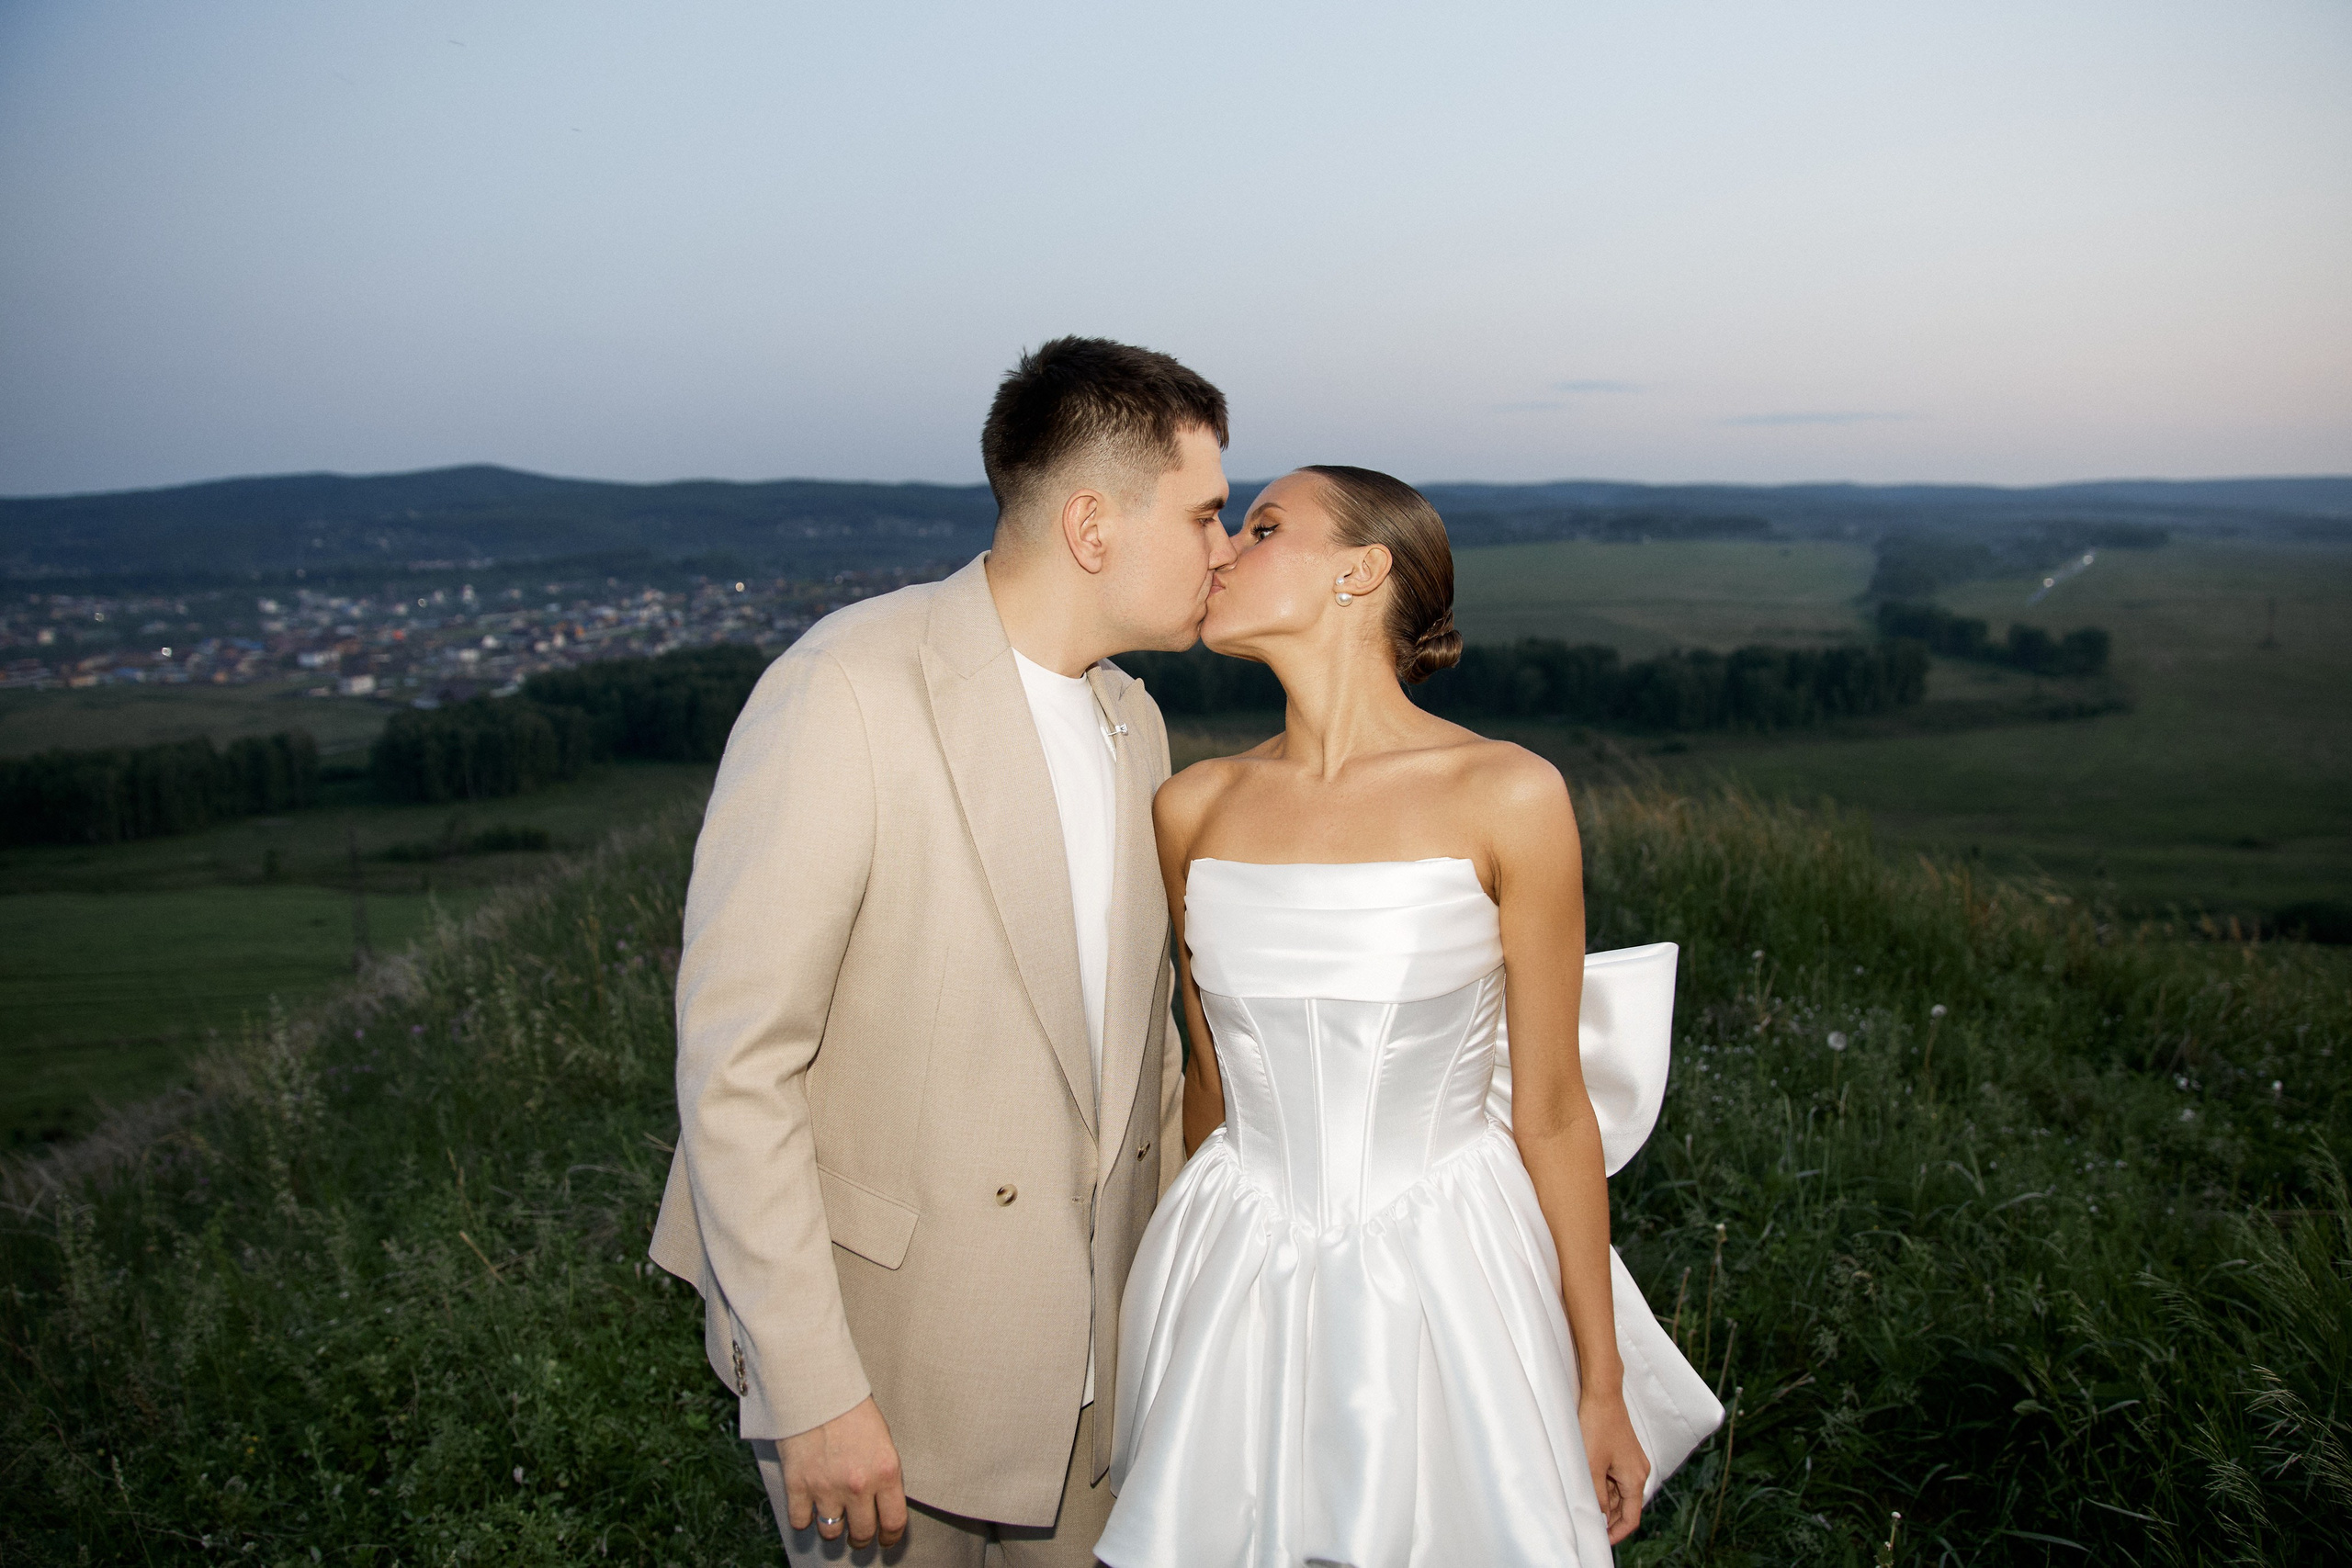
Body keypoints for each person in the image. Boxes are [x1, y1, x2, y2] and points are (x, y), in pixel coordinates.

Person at [650, 336, 1239, 1564]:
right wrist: (811, 1386)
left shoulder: (1136, 718)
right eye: (1207, 514)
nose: (1226, 550)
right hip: (887, 1369)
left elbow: (1139, 1062)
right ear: (1093, 524)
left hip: (1093, 1372)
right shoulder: (847, 688)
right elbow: (736, 1063)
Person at [1098, 466, 1723, 1567]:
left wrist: (1599, 1381)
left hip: (1451, 1274)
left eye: (1263, 527)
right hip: (1230, 1270)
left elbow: (1555, 1116)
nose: (1221, 552)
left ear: (1362, 568)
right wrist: (1180, 1297)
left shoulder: (1508, 793)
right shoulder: (1190, 807)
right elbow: (1208, 1083)